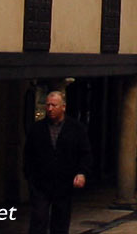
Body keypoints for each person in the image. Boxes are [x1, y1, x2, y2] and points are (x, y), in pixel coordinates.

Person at [23, 91, 93, 234]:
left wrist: (82, 172)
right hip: (40, 183)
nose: (50, 109)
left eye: (54, 105)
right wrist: (30, 178)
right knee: (38, 219)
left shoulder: (76, 129)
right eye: (47, 105)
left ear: (63, 107)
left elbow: (85, 153)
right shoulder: (37, 129)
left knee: (60, 221)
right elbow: (28, 155)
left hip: (64, 183)